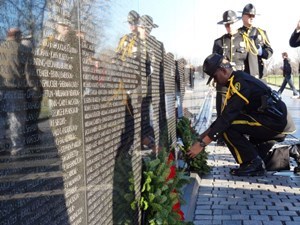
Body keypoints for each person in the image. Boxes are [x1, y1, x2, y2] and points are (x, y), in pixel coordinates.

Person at [187, 53, 296, 176]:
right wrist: (200, 137)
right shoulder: (237, 79)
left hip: (274, 122)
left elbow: (227, 119)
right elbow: (224, 116)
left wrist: (202, 144)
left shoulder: (240, 83)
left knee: (228, 127)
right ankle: (294, 151)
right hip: (275, 121)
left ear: (223, 71)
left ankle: (252, 163)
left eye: (215, 77)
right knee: (260, 158)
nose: (215, 82)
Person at [212, 10, 247, 145]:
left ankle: (242, 134)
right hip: (224, 81)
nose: (229, 27)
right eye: (226, 25)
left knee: (241, 108)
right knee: (222, 107)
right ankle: (222, 135)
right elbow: (214, 64)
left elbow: (249, 62)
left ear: (236, 23)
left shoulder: (245, 40)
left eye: (231, 24)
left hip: (240, 81)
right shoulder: (219, 42)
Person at [0, 28, 33, 155]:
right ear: (18, 36)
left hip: (1, 88)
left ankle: (1, 143)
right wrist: (34, 89)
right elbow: (29, 73)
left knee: (1, 118)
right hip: (15, 89)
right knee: (16, 119)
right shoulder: (23, 49)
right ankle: (17, 147)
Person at [238, 3, 273, 79]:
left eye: (253, 16)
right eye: (249, 15)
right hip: (242, 75)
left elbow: (269, 51)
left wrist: (261, 51)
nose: (252, 18)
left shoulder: (261, 33)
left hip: (258, 74)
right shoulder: (237, 34)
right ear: (243, 16)